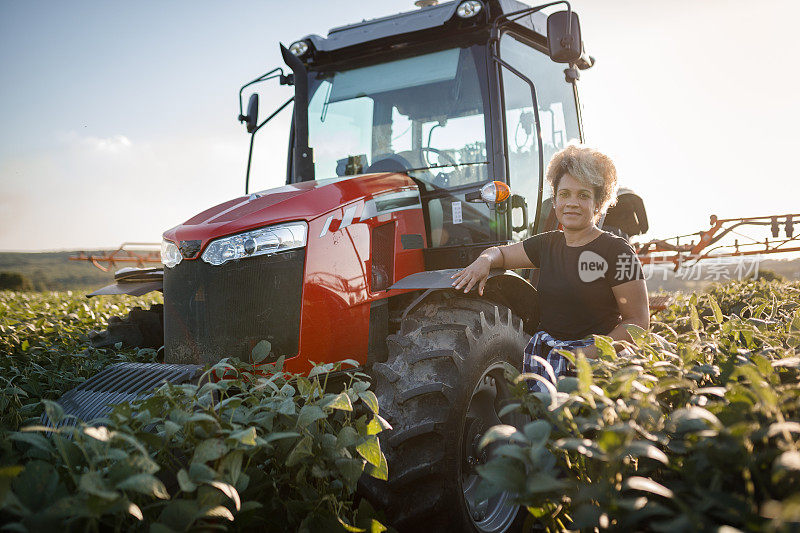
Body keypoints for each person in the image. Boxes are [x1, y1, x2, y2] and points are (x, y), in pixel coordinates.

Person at [450, 144, 649, 391]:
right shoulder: (547, 244)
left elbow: (638, 321)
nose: (571, 203)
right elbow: (500, 253)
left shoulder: (618, 251)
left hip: (597, 366)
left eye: (583, 195)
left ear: (599, 203)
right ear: (554, 201)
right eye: (564, 194)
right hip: (547, 360)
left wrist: (584, 355)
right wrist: (484, 261)